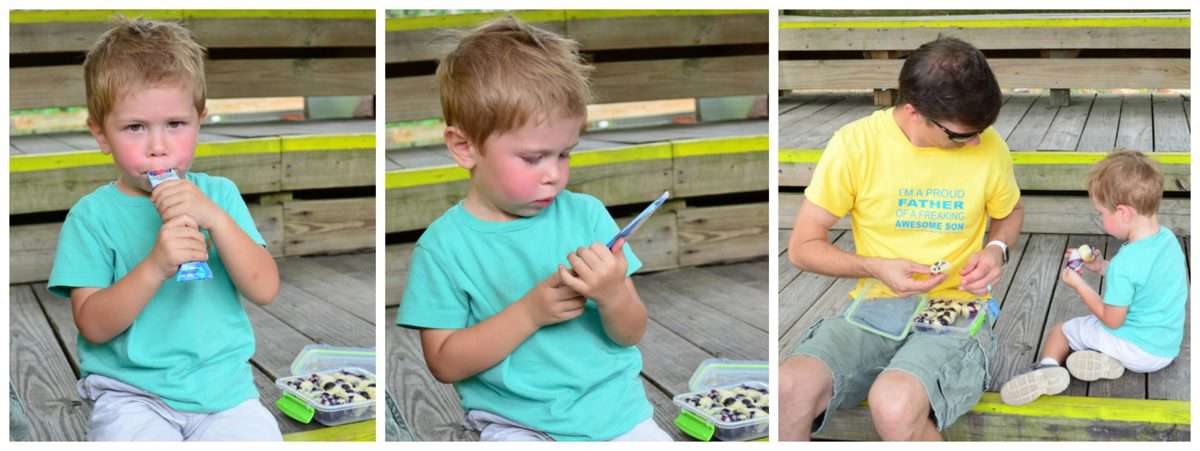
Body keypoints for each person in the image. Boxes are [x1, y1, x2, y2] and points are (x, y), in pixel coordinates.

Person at [396, 17, 670, 441]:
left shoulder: (587, 216)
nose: (553, 175)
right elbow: (444, 364)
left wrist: (615, 293)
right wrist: (529, 313)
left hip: (617, 413)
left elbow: (630, 333)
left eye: (565, 154)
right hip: (517, 425)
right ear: (465, 147)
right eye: (533, 158)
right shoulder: (443, 248)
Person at [48, 17, 281, 441]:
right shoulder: (91, 217)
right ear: (101, 134)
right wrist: (154, 266)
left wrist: (217, 220)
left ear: (199, 120)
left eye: (176, 124)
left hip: (225, 392)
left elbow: (265, 288)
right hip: (132, 395)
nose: (158, 145)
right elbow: (93, 325)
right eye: (135, 127)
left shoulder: (221, 196)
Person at [780, 37, 1024, 440]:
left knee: (893, 402)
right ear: (914, 111)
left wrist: (996, 250)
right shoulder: (854, 144)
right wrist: (874, 267)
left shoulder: (989, 146)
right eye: (961, 136)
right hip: (873, 308)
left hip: (957, 309)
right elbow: (803, 248)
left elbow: (1009, 211)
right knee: (789, 387)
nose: (977, 143)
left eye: (982, 131)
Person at [1000, 151, 1186, 405]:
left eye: (1101, 212)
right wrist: (1101, 267)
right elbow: (1145, 282)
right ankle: (1108, 362)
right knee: (1103, 335)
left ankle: (1047, 369)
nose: (1100, 218)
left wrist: (1079, 285)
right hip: (1165, 349)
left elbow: (1111, 319)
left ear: (1123, 213)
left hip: (1136, 347)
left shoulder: (1125, 264)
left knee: (1062, 331)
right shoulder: (1167, 239)